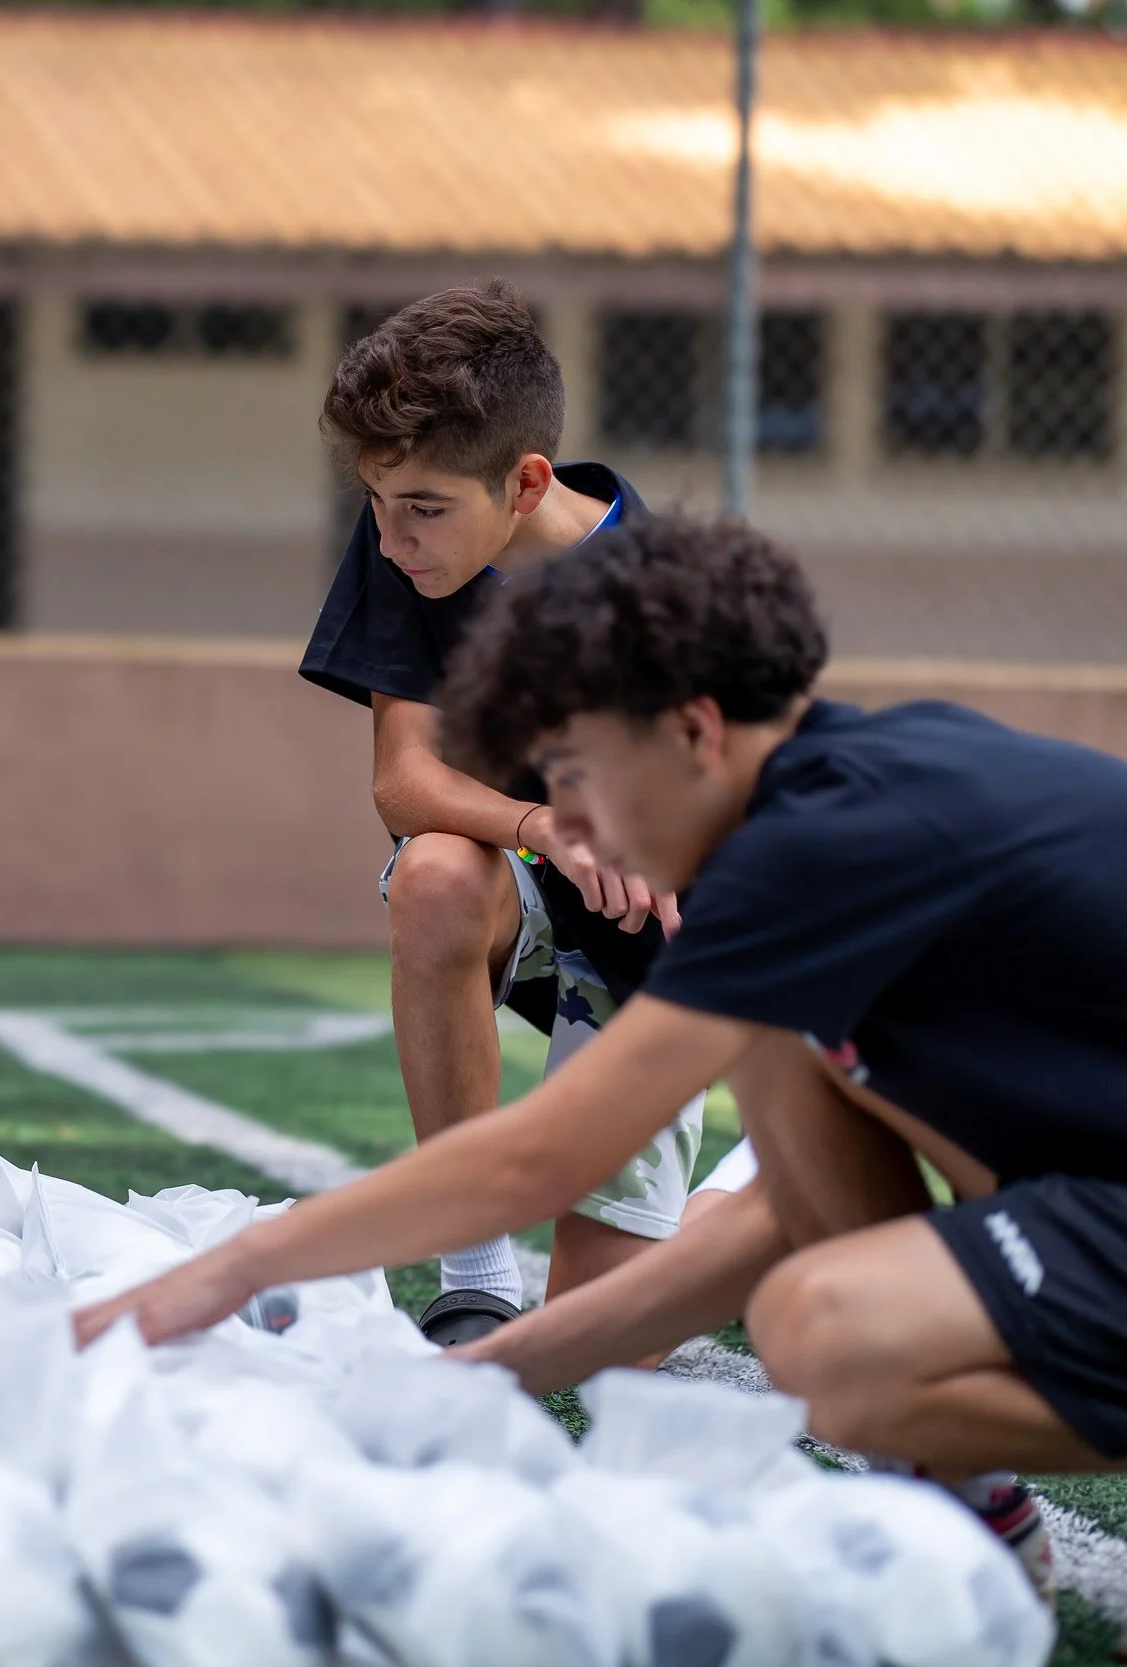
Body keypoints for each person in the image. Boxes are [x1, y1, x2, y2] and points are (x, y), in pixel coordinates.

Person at [80, 516, 1127, 1579]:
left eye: (576, 771)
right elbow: (781, 1217)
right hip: (1083, 1186)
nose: (571, 820)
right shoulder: (844, 791)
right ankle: (971, 1501)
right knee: (784, 1084)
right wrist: (486, 1374)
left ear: (693, 731)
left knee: (825, 1334)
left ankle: (964, 1490)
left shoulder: (816, 848)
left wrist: (222, 1271)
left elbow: (534, 1158)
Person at [300, 280, 695, 1344]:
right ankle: (473, 1263)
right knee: (432, 871)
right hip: (521, 881)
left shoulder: (656, 589)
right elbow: (404, 779)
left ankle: (728, 1205)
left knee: (604, 1345)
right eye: (375, 501)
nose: (390, 539)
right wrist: (544, 827)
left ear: (525, 482)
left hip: (656, 942)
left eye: (420, 508)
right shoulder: (411, 531)